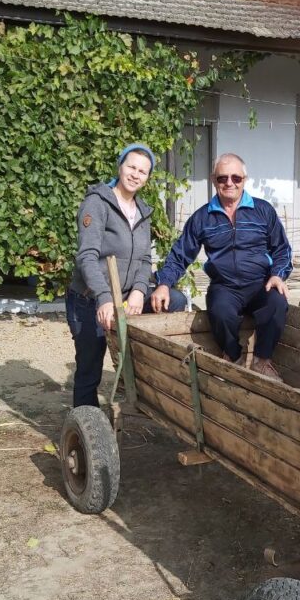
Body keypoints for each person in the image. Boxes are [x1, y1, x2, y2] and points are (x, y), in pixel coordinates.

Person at [150, 153, 292, 380]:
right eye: (222, 178)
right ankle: (233, 358)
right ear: (213, 180)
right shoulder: (202, 217)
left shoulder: (263, 211)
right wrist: (164, 283)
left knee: (277, 302)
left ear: (244, 179)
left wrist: (277, 275)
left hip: (260, 284)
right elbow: (180, 254)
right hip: (225, 286)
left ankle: (261, 361)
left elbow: (282, 249)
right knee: (219, 311)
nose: (229, 183)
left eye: (236, 177)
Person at [67, 142, 185, 408]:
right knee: (90, 367)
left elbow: (144, 259)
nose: (135, 174)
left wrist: (139, 291)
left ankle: (152, 386)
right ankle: (86, 427)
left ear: (148, 177)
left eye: (142, 171)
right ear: (120, 167)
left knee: (173, 300)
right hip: (91, 299)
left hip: (126, 298)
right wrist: (105, 298)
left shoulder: (143, 212)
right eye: (131, 167)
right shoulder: (97, 203)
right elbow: (87, 256)